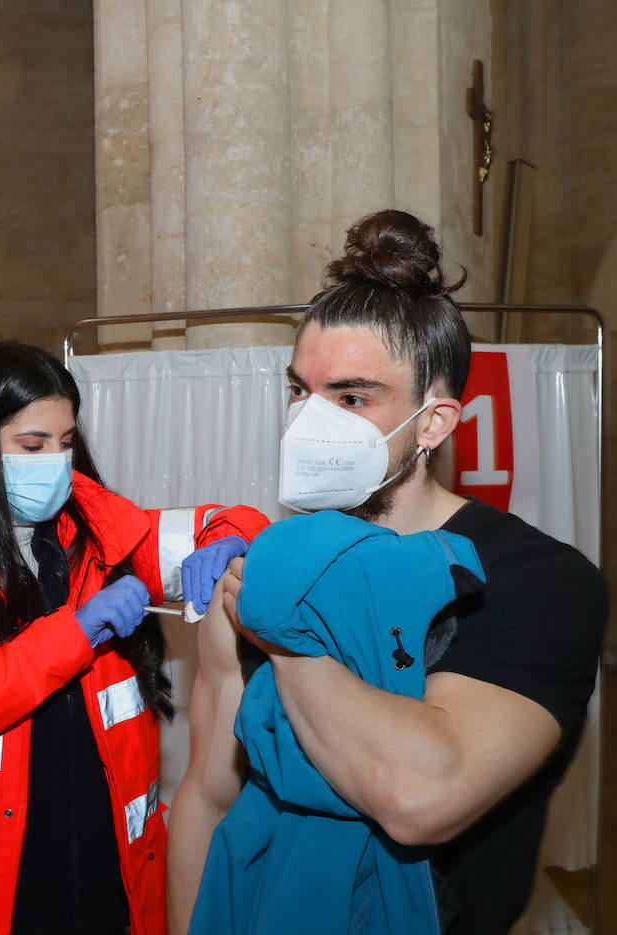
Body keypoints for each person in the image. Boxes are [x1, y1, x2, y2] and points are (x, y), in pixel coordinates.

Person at [168, 210, 607, 934]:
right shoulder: (260, 565)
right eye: (298, 391)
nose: (309, 424)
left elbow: (420, 793)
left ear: (433, 423)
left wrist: (283, 629)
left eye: (350, 397)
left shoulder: (535, 581)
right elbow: (208, 799)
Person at [0, 341, 269, 935]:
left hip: (102, 857)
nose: (55, 464)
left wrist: (230, 537)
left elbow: (221, 522)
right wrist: (74, 633)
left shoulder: (95, 524)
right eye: (32, 445)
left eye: (66, 443)